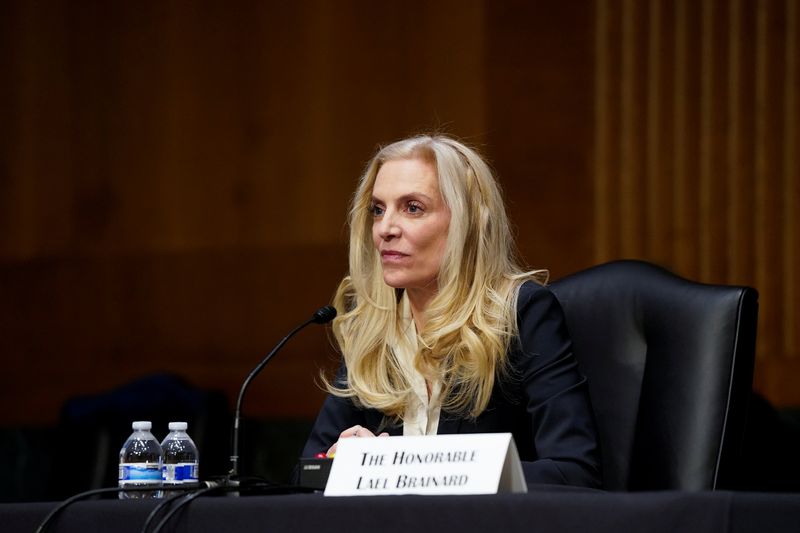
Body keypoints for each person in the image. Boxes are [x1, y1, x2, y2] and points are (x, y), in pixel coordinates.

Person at [301, 134, 601, 487]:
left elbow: (575, 473)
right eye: (378, 209)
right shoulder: (373, 326)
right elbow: (305, 475)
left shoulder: (521, 314)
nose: (386, 229)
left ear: (467, 221)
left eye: (413, 207)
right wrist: (341, 461)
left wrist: (399, 468)